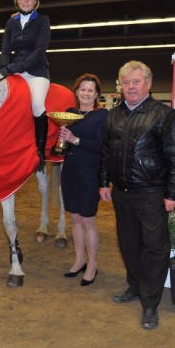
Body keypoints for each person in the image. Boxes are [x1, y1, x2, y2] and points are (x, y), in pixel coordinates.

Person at [99, 60, 175, 330]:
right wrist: (104, 183)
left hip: (152, 195)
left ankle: (150, 303)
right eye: (125, 82)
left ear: (148, 84)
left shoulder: (164, 115)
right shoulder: (113, 115)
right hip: (122, 194)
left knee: (154, 249)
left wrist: (173, 194)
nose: (130, 87)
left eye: (136, 81)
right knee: (128, 245)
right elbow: (105, 153)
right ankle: (135, 286)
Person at [58, 74, 108, 286]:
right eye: (83, 89)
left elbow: (102, 146)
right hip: (70, 170)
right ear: (76, 91)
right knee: (75, 219)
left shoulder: (103, 115)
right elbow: (67, 143)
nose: (86, 94)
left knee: (88, 220)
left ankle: (92, 264)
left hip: (89, 172)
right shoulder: (69, 114)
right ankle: (79, 260)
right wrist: (62, 140)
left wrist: (74, 139)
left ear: (96, 94)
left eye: (91, 90)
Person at [0, 0, 51, 171]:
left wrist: (14, 68)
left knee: (37, 104)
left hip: (37, 71)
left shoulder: (43, 21)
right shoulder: (11, 22)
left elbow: (39, 51)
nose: (26, 1)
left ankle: (40, 152)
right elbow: (5, 50)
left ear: (36, 1)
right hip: (15, 70)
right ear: (17, 0)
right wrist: (4, 68)